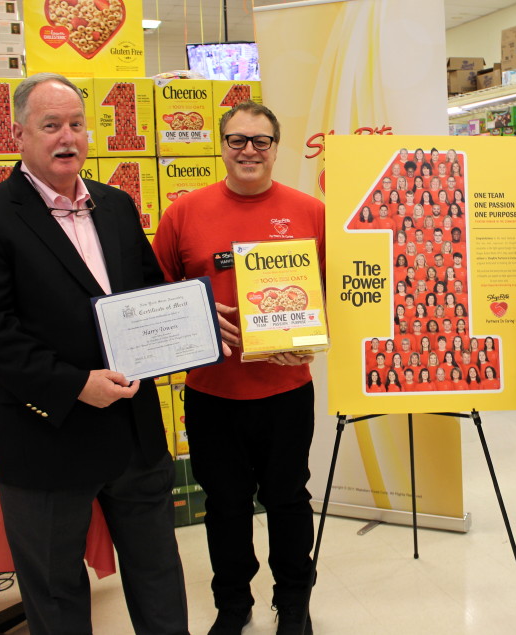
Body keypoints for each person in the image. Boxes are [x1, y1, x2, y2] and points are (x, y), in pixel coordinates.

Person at [0, 73, 188, 635]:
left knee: (158, 576)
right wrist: (75, 383)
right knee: (56, 596)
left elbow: (148, 296)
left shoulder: (117, 205)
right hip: (46, 439)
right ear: (18, 134)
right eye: (51, 125)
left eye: (76, 124)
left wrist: (193, 326)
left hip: (134, 434)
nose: (67, 137)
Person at [153, 100, 324, 635]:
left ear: (276, 147)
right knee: (224, 506)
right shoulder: (185, 212)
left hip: (285, 389)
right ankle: (233, 604)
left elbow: (332, 294)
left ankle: (293, 601)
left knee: (289, 500)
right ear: (222, 146)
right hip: (211, 392)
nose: (249, 150)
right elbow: (158, 292)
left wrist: (314, 336)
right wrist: (198, 311)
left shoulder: (309, 210)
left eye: (261, 141)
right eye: (237, 141)